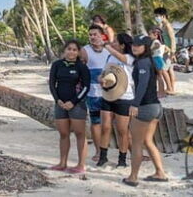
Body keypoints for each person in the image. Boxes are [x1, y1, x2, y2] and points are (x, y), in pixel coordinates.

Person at [123, 35, 168, 187]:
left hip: (145, 107)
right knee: (148, 142)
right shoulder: (150, 61)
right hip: (156, 107)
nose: (135, 47)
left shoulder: (142, 62)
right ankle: (160, 172)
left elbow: (142, 85)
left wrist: (135, 104)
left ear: (146, 48)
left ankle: (133, 177)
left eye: (139, 45)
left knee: (136, 143)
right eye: (134, 44)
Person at [48, 40, 90, 173]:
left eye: (74, 50)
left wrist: (74, 101)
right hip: (60, 104)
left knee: (79, 134)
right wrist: (57, 100)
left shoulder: (81, 67)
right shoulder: (57, 65)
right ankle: (62, 163)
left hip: (77, 105)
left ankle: (81, 165)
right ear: (64, 50)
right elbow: (52, 84)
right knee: (63, 133)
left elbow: (86, 87)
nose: (71, 52)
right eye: (69, 49)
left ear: (78, 52)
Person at [97, 33, 135, 167]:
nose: (112, 44)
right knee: (105, 127)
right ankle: (103, 156)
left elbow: (122, 58)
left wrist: (106, 46)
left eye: (115, 42)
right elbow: (104, 72)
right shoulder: (110, 57)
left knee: (122, 130)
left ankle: (122, 159)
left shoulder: (130, 58)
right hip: (108, 94)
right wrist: (101, 79)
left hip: (124, 97)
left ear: (123, 45)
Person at [80, 24, 111, 162]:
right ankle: (98, 151)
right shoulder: (85, 50)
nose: (92, 37)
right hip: (93, 94)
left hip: (110, 93)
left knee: (111, 124)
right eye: (90, 35)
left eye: (95, 34)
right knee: (96, 122)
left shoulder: (109, 50)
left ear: (102, 35)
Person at [154, 8, 177, 94]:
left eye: (157, 16)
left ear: (163, 16)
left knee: (164, 69)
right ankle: (171, 88)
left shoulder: (168, 26)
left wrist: (173, 52)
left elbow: (172, 39)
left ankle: (170, 88)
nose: (156, 18)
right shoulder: (162, 25)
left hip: (168, 50)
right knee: (169, 69)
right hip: (164, 50)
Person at [149, 28, 174, 96]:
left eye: (150, 34)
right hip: (158, 58)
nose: (149, 36)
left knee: (159, 75)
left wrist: (150, 50)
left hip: (156, 58)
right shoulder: (160, 42)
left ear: (156, 35)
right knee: (161, 75)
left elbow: (157, 45)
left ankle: (162, 91)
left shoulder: (156, 41)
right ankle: (166, 89)